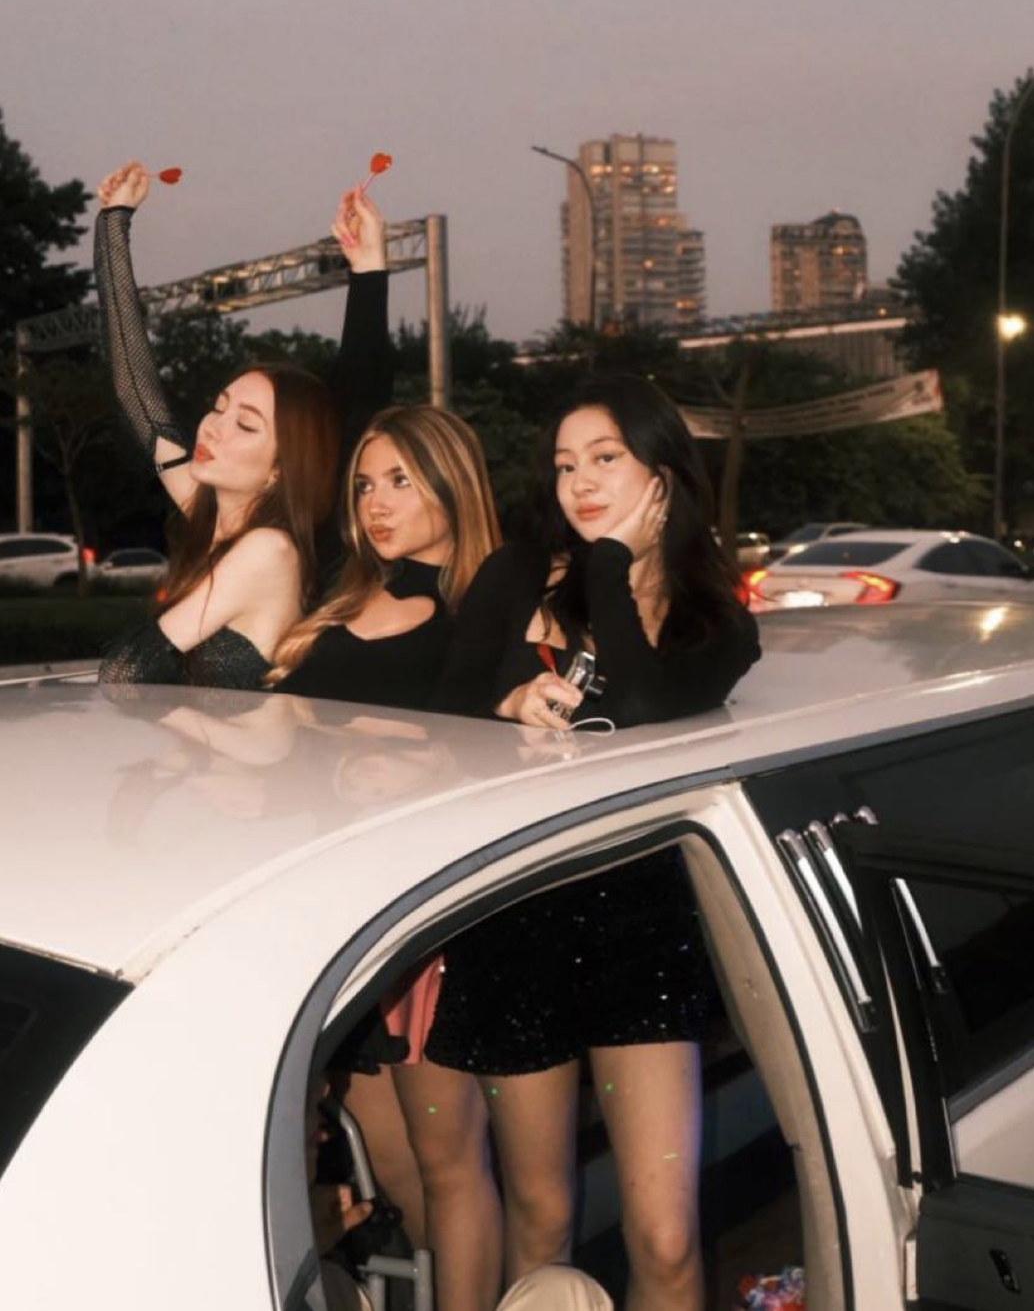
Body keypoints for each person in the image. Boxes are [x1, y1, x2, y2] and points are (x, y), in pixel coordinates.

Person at [426, 373, 761, 1311]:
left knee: (666, 1237)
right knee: (540, 1224)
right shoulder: (514, 574)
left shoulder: (718, 620)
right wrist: (505, 705)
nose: (578, 481)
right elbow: (436, 714)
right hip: (511, 918)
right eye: (566, 463)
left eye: (606, 458)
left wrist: (609, 562)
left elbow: (645, 702)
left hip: (638, 927)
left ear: (663, 474)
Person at [269, 402, 506, 1311]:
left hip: (422, 920)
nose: (375, 500)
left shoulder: (480, 613)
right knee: (401, 1166)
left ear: (454, 482)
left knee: (448, 1164)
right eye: (366, 483)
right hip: (325, 909)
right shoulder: (346, 595)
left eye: (402, 480)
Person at [93, 160, 390, 687]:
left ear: (280, 470)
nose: (212, 427)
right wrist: (114, 222)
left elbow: (123, 671)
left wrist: (369, 272)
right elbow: (135, 391)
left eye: (246, 426)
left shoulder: (268, 550)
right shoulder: (212, 514)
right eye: (219, 406)